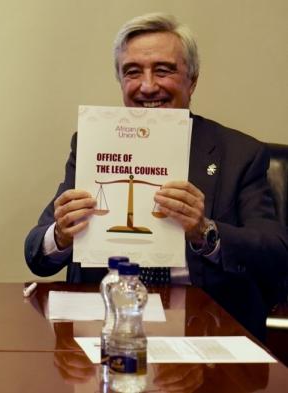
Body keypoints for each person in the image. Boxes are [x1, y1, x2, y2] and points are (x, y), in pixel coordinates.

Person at [24, 13, 288, 340]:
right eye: (132, 72)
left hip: (202, 333)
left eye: (163, 70)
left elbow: (276, 255)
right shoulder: (93, 143)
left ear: (192, 80)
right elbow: (36, 253)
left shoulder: (240, 154)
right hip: (107, 326)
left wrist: (205, 232)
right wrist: (61, 235)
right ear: (121, 81)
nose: (148, 86)